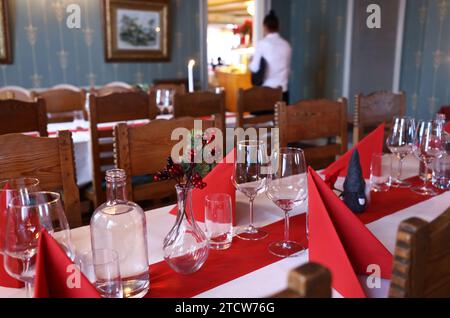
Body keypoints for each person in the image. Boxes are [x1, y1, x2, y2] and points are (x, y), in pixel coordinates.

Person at [249, 10, 292, 103]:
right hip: (283, 92)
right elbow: (288, 69)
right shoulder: (286, 45)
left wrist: (250, 62)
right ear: (278, 27)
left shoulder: (262, 44)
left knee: (264, 118)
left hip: (267, 93)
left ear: (264, 27)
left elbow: (254, 68)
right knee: (281, 117)